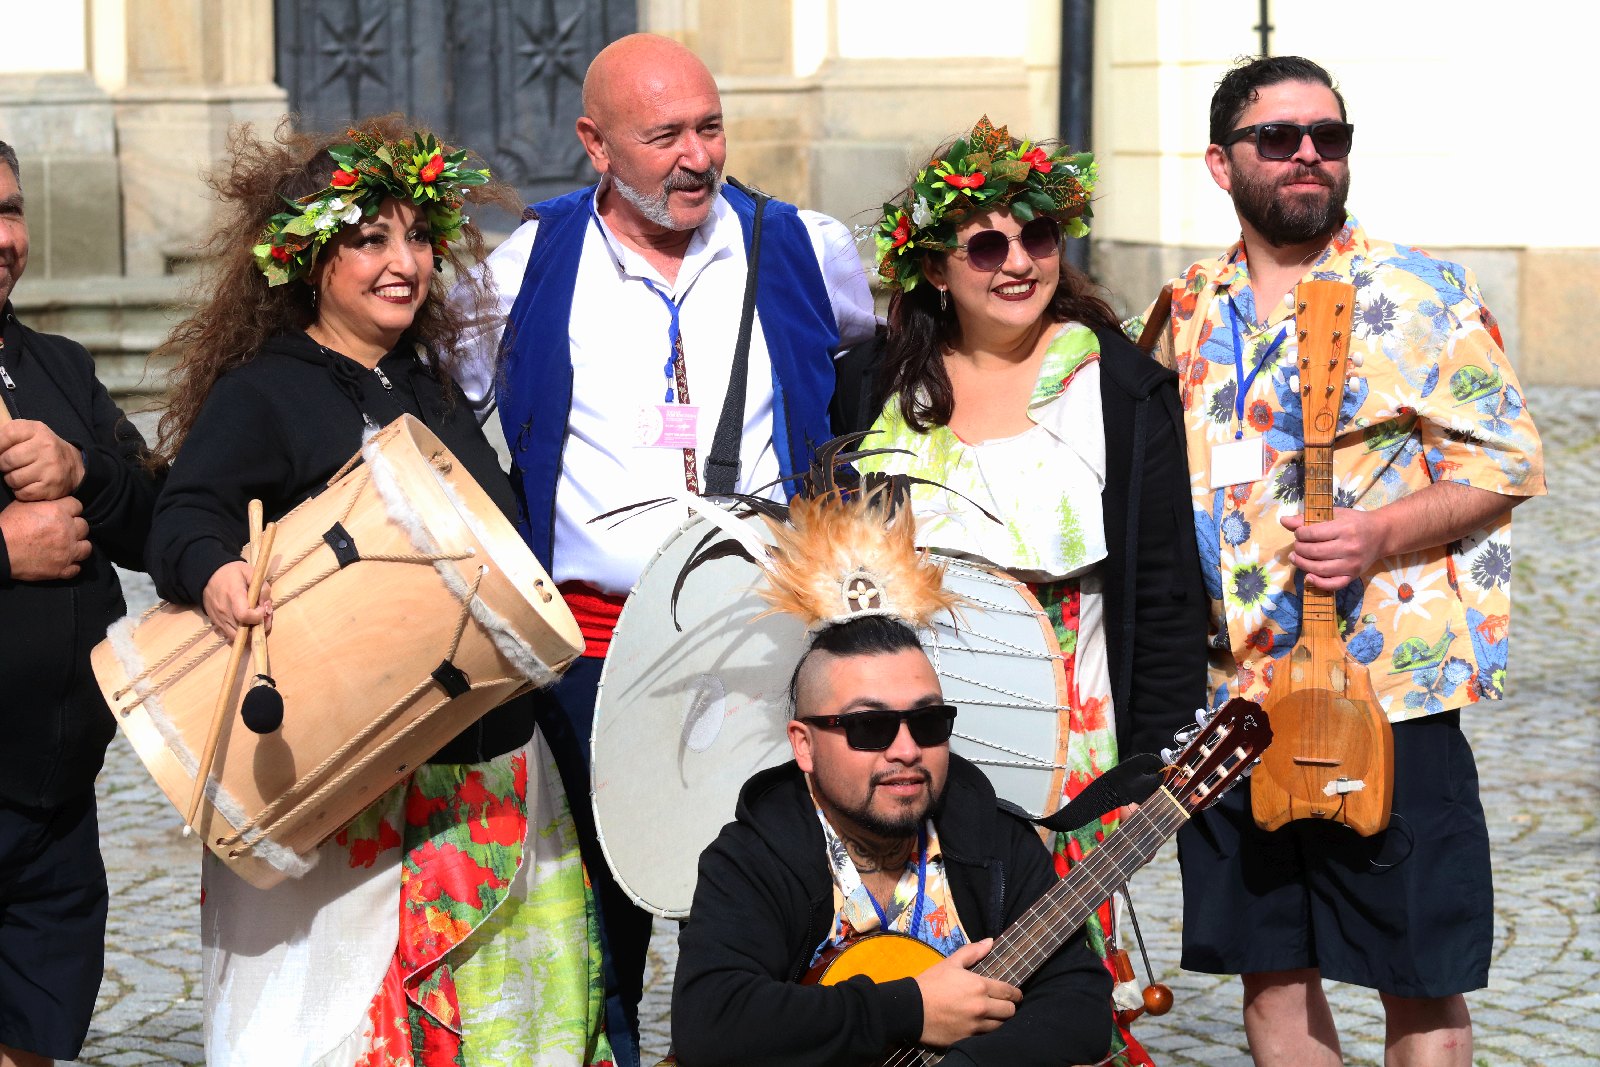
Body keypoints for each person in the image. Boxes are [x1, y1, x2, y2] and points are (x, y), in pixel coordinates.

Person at [144, 117, 608, 1066]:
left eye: (419, 237)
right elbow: (183, 514)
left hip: (485, 772)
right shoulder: (265, 390)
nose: (405, 262)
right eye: (370, 239)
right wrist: (218, 573)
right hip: (349, 787)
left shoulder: (431, 388)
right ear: (313, 261)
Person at [452, 31, 876, 1063]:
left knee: (774, 894)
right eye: (663, 136)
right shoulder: (525, 263)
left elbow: (868, 373)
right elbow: (440, 407)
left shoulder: (804, 247)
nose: (696, 156)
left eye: (709, 126)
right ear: (595, 144)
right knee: (610, 903)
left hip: (772, 643)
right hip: (596, 652)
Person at [1145, 56, 1546, 1067]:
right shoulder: (1188, 306)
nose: (1307, 155)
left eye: (1328, 135)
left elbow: (1507, 459)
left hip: (1384, 692)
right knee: (1271, 980)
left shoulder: (1415, 292)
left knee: (1418, 981)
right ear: (1219, 162)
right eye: (1276, 138)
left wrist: (1380, 531)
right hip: (1234, 696)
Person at [836, 117, 1208, 1066]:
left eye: (1037, 237)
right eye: (987, 244)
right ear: (931, 266)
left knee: (1060, 988)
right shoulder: (876, 388)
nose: (1018, 263)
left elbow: (1162, 588)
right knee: (920, 960)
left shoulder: (1114, 388)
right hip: (915, 728)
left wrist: (1153, 762)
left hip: (1071, 743)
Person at [670, 477, 1114, 1067]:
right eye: (869, 727)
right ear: (803, 744)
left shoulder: (996, 840)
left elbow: (1079, 1005)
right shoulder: (751, 859)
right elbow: (711, 1024)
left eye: (929, 722)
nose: (906, 749)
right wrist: (910, 1009)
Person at [0, 139, 161, 1067]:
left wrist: (84, 469)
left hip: (60, 798)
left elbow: (152, 520)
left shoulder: (59, 367)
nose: (2, 236)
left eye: (11, 210)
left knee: (33, 1037)